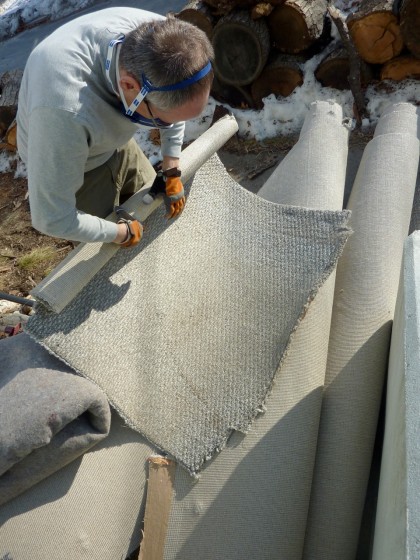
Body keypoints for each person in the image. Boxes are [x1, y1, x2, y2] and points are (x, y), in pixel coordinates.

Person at [16, 7, 214, 247]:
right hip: (74, 164)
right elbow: (51, 217)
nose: (171, 127)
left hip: (110, 140)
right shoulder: (62, 111)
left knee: (154, 222)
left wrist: (171, 166)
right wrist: (120, 233)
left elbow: (174, 106)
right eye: (163, 123)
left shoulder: (167, 42)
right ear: (130, 86)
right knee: (108, 262)